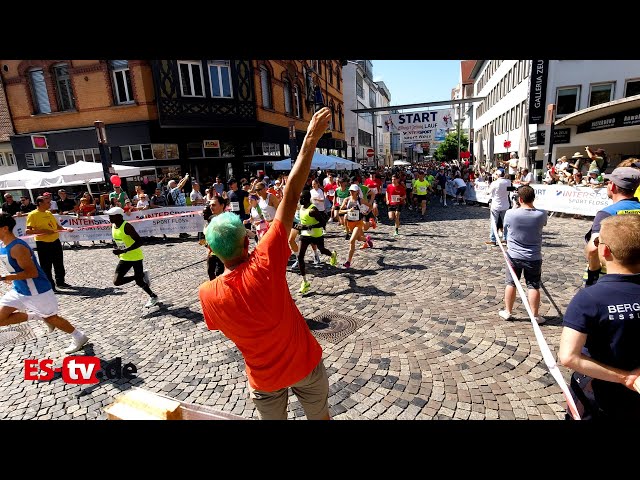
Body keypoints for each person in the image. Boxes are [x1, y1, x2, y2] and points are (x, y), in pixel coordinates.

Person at [198, 107, 332, 420]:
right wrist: (310, 138)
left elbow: (224, 325)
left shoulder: (207, 294)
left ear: (214, 252)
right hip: (304, 363)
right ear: (248, 241)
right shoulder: (266, 259)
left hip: (264, 379)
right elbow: (293, 192)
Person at [558, 215, 640, 419]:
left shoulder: (588, 299)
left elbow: (568, 357)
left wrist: (624, 377)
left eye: (598, 241)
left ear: (604, 250)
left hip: (597, 395)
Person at [0, 213, 89, 354]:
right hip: (19, 290)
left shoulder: (17, 248)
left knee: (52, 318)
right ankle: (37, 315)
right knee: (1, 319)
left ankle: (79, 336)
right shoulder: (3, 244)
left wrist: (6, 277)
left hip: (37, 290)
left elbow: (32, 273)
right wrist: (11, 278)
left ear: (5, 228)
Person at [497, 186, 547, 324]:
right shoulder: (541, 214)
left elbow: (506, 226)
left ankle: (508, 311)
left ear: (519, 199)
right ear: (533, 198)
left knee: (511, 283)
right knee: (533, 285)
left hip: (514, 256)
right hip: (533, 256)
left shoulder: (511, 213)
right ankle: (535, 315)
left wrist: (515, 207)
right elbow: (542, 223)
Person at [583, 166, 640, 287]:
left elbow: (593, 250)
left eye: (608, 182)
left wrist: (593, 272)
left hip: (610, 277)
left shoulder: (607, 213)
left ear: (612, 186)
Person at [106, 206, 159, 308]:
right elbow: (117, 240)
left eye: (111, 216)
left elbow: (140, 241)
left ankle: (153, 297)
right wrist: (116, 248)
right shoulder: (113, 226)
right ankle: (141, 275)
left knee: (139, 282)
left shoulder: (127, 226)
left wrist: (124, 250)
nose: (109, 218)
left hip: (135, 257)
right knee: (117, 281)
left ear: (118, 216)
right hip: (124, 258)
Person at [26, 196, 74, 292]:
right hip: (43, 243)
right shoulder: (33, 214)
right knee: (46, 266)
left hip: (55, 241)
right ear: (40, 203)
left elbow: (57, 226)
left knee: (59, 263)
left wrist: (66, 229)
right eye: (47, 202)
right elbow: (28, 231)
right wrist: (43, 231)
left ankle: (61, 282)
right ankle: (50, 285)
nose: (50, 204)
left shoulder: (49, 213)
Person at [296, 189, 337, 294]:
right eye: (299, 198)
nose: (300, 200)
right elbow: (303, 222)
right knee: (300, 256)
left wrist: (308, 226)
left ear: (307, 199)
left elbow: (323, 223)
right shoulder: (301, 207)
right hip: (305, 235)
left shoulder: (313, 210)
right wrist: (299, 226)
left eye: (301, 198)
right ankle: (305, 282)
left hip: (316, 234)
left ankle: (332, 255)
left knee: (322, 250)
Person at [485, 170, 511, 246]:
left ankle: (493, 240)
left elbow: (488, 192)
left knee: (494, 223)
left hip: (496, 205)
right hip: (505, 204)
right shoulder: (508, 181)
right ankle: (506, 239)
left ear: (497, 175)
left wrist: (489, 186)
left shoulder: (495, 183)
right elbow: (509, 190)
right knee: (505, 223)